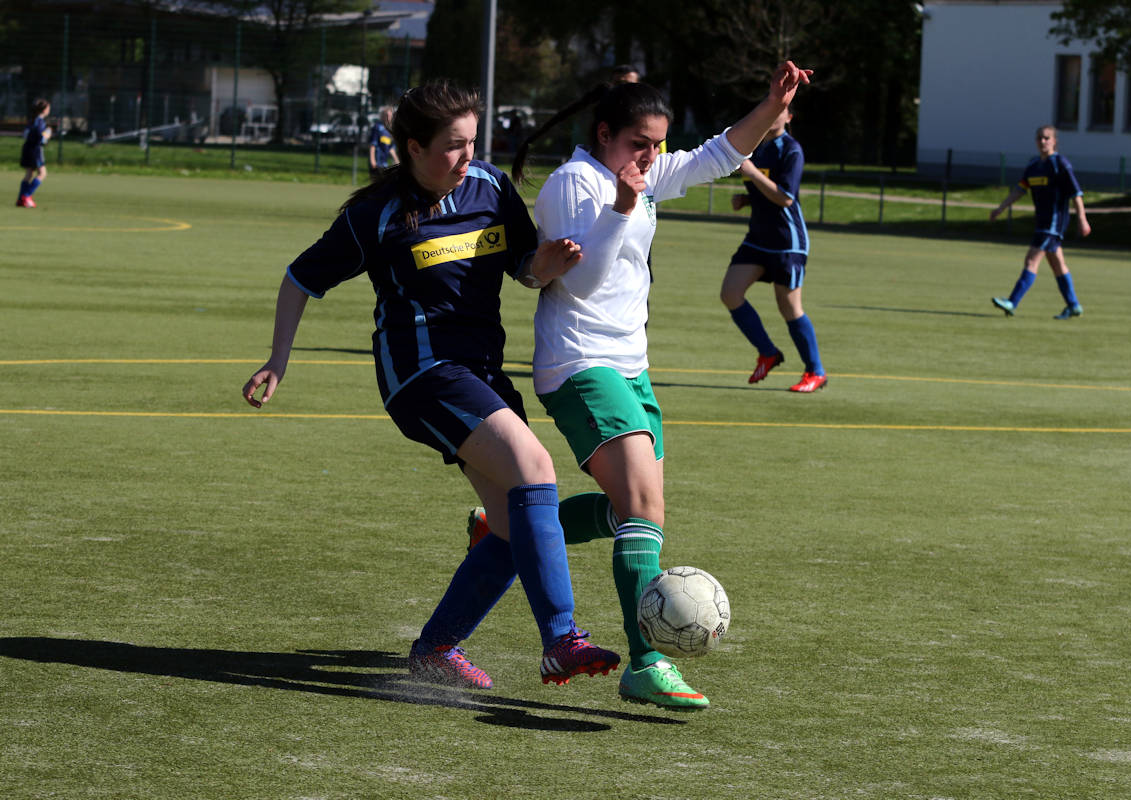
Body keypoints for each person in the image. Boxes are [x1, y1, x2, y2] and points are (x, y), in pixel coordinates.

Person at [241, 82, 619, 692]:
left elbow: (522, 262)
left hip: (483, 373)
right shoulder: (376, 215)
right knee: (535, 468)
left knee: (507, 521)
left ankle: (435, 648)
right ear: (412, 148)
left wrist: (541, 267)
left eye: (473, 142)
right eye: (453, 146)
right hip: (421, 374)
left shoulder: (490, 187)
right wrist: (277, 360)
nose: (468, 156)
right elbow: (299, 278)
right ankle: (561, 639)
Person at [494, 61, 809, 710]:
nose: (651, 156)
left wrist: (769, 102)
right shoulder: (573, 184)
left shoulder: (638, 173)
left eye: (658, 145)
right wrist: (622, 207)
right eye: (639, 144)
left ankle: (505, 526)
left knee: (625, 514)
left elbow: (720, 154)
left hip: (631, 366)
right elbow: (576, 283)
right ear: (605, 133)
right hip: (578, 363)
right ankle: (647, 661)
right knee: (643, 509)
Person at [720, 104, 826, 392]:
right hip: (758, 238)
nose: (775, 115)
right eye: (771, 109)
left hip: (786, 241)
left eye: (782, 111)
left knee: (789, 307)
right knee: (730, 293)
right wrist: (747, 199)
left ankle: (816, 372)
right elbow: (764, 193)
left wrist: (752, 174)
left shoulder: (791, 150)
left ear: (789, 117)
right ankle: (768, 352)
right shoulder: (756, 147)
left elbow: (786, 198)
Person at [989, 125, 1091, 319]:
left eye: (1046, 138)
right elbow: (1019, 190)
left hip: (1053, 223)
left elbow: (1076, 194)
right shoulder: (1034, 166)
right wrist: (1000, 208)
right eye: (1039, 138)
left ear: (1054, 141)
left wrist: (1082, 220)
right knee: (1057, 264)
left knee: (1031, 260)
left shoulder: (1060, 164)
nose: (1042, 142)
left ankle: (1012, 301)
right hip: (1043, 223)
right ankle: (1073, 305)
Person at [16, 99, 52, 208]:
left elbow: (25, 134)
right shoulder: (40, 122)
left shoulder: (32, 120)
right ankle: (26, 196)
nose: (49, 110)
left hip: (27, 147)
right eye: (48, 108)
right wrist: (48, 134)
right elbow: (41, 139)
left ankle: (20, 200)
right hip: (35, 149)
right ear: (44, 110)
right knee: (42, 173)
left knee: (29, 174)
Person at [367, 106, 399, 179]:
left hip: (384, 163)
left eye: (390, 115)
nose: (388, 117)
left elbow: (390, 147)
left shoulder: (390, 130)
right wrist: (372, 160)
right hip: (376, 161)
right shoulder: (377, 127)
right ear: (382, 116)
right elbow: (372, 145)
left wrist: (396, 160)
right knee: (376, 184)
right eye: (386, 115)